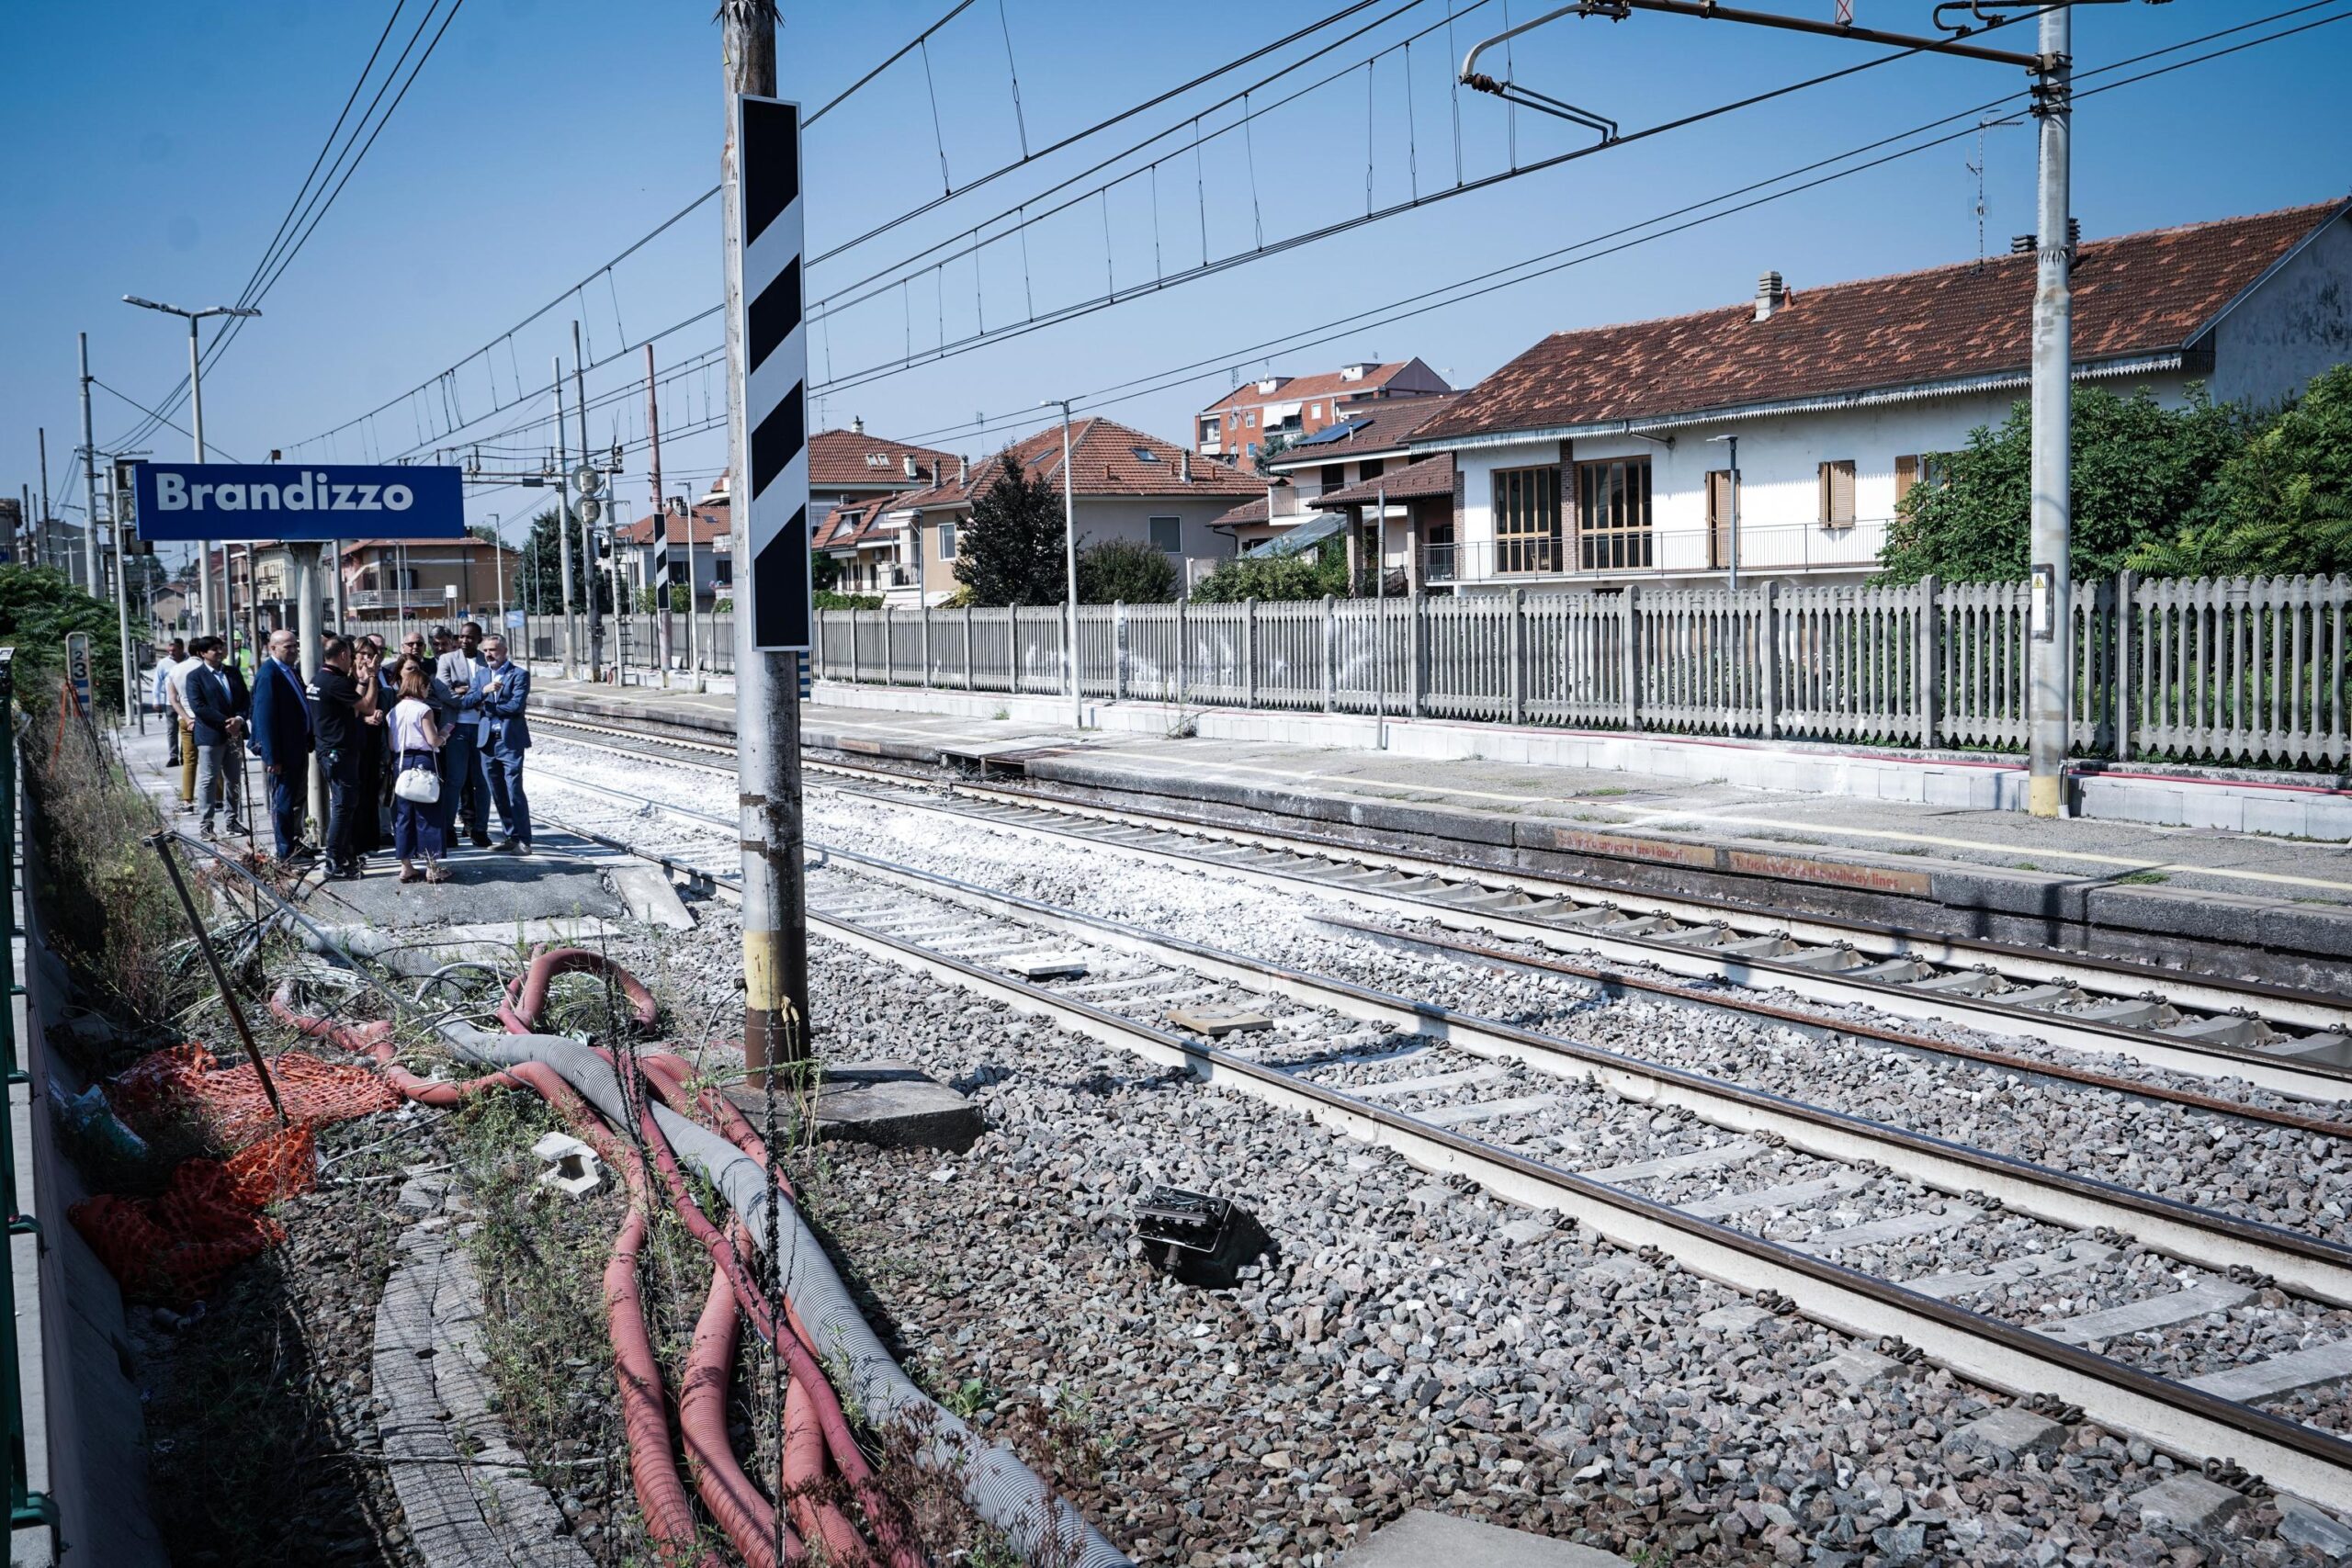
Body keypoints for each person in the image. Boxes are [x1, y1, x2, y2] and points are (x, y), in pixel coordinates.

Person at [250, 627, 315, 863]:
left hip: (297, 748)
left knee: (297, 799)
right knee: (283, 803)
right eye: (288, 647)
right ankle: (285, 851)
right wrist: (272, 757)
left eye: (295, 645)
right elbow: (264, 718)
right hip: (282, 754)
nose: (294, 650)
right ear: (273, 648)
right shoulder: (269, 674)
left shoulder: (290, 671)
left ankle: (295, 843)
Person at [309, 637, 368, 879]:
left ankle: (345, 854)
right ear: (343, 655)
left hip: (330, 749)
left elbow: (351, 710)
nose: (353, 661)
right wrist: (368, 680)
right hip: (337, 752)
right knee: (343, 806)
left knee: (344, 804)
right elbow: (366, 706)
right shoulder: (334, 682)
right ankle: (334, 860)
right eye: (351, 656)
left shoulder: (318, 679)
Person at [388, 658, 449, 884]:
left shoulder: (394, 711)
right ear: (420, 687)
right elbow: (432, 741)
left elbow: (392, 744)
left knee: (404, 816)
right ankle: (432, 867)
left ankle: (406, 867)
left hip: (401, 763)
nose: (428, 691)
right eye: (426, 687)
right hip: (423, 761)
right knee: (428, 814)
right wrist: (444, 735)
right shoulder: (424, 710)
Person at [184, 637, 250, 840]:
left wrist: (239, 719)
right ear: (203, 653)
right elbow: (199, 706)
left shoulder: (233, 672)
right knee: (209, 779)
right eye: (214, 649)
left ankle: (232, 820)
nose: (220, 652)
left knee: (234, 779)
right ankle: (206, 825)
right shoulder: (195, 677)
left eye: (221, 648)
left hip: (234, 733)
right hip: (211, 735)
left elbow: (245, 699)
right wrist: (226, 721)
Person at [433, 625, 492, 847]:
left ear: (479, 639)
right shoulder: (447, 659)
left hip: (482, 727)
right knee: (454, 780)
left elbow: (495, 691)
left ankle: (480, 829)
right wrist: (475, 697)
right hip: (455, 728)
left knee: (482, 782)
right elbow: (444, 692)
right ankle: (448, 829)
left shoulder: (486, 660)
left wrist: (465, 691)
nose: (465, 640)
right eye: (462, 636)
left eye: (470, 637)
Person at [480, 635, 532, 852]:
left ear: (505, 651)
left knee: (514, 790)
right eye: (485, 650)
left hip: (509, 741)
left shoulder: (519, 674)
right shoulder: (482, 675)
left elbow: (516, 706)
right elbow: (469, 700)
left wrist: (487, 707)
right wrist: (482, 693)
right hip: (487, 741)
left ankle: (524, 840)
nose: (489, 654)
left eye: (493, 650)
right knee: (497, 792)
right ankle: (510, 836)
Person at [349, 637, 389, 859]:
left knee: (372, 789)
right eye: (362, 654)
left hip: (374, 738)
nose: (366, 658)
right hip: (354, 739)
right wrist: (364, 720)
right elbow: (347, 712)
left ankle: (370, 840)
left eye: (370, 654)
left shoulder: (378, 675)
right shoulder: (348, 678)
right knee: (355, 794)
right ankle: (355, 844)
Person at [167, 637, 205, 809]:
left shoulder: (176, 669)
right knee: (212, 760)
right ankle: (218, 799)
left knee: (189, 761)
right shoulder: (205, 668)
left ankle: (187, 801)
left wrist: (187, 718)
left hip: (185, 719)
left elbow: (173, 699)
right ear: (202, 652)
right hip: (206, 720)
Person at [152, 638, 187, 765]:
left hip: (186, 702)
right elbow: (157, 682)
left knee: (186, 728)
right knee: (172, 730)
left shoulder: (189, 661)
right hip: (170, 703)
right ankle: (173, 756)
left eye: (174, 650)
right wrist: (156, 700)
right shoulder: (163, 663)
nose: (171, 653)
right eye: (169, 650)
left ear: (181, 649)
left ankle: (185, 755)